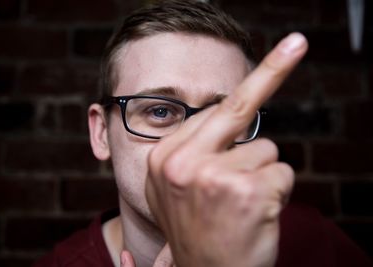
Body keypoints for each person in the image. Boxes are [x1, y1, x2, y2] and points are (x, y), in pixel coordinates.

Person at [33, 1, 372, 266]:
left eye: (219, 115)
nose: (194, 142)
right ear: (101, 133)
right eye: (160, 111)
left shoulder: (318, 244)